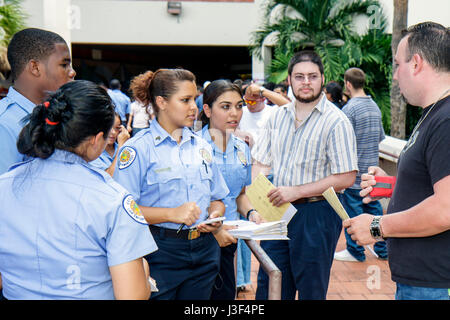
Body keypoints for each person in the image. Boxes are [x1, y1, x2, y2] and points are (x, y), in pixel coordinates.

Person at [0, 80, 157, 299]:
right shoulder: (111, 199)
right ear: (97, 139)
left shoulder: (5, 185)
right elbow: (131, 295)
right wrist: (144, 273)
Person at [345, 22, 450, 300]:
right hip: (424, 282)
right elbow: (434, 183)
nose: (394, 76)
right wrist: (395, 185)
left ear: (416, 63)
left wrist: (377, 226)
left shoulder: (446, 119)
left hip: (434, 285)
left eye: (397, 65)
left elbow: (446, 210)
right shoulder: (434, 115)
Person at [113, 68, 229, 300]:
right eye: (185, 100)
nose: (194, 107)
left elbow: (217, 197)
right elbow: (123, 211)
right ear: (162, 102)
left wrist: (214, 216)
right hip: (159, 251)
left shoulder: (202, 147)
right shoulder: (137, 149)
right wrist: (171, 213)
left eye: (193, 99)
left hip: (204, 250)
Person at [252, 50, 358, 300]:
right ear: (289, 80)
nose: (306, 82)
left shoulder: (336, 122)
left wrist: (297, 191)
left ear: (322, 78)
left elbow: (346, 177)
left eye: (312, 76)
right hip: (277, 213)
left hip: (317, 215)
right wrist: (259, 202)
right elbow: (260, 162)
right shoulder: (277, 117)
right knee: (271, 286)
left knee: (311, 289)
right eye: (299, 76)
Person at [199, 79, 263, 300]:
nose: (234, 113)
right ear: (207, 109)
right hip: (200, 240)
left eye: (239, 106)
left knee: (225, 294)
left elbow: (240, 194)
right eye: (225, 107)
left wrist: (252, 213)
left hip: (229, 240)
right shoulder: (193, 147)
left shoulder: (242, 148)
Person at [0, 28, 76, 175]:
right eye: (64, 64)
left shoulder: (59, 115)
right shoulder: (5, 124)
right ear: (35, 68)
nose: (72, 72)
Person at [334, 67, 387, 262]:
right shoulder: (375, 107)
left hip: (355, 176)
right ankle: (383, 249)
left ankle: (355, 252)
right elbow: (380, 137)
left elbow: (342, 142)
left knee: (352, 216)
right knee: (376, 213)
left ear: (348, 84)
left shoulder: (349, 109)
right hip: (372, 174)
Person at [127, 71, 154, 136]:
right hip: (137, 126)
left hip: (145, 126)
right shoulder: (133, 105)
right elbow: (131, 115)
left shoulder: (150, 105)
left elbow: (152, 117)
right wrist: (128, 125)